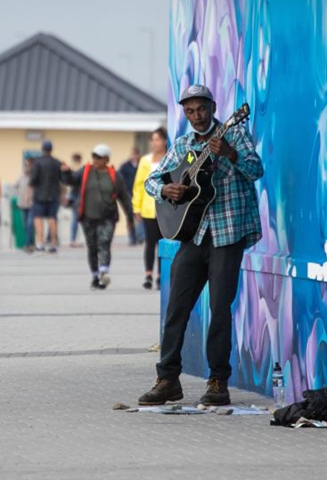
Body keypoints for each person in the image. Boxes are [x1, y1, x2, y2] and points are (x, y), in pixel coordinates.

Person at [137, 84, 263, 407]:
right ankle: (168, 380)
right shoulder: (183, 144)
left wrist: (230, 154)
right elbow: (153, 180)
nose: (197, 116)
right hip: (194, 235)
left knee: (219, 309)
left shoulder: (234, 132)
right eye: (190, 111)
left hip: (227, 233)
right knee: (176, 307)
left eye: (202, 109)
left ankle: (218, 381)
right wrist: (166, 191)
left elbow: (255, 170)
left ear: (213, 107)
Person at [62, 144, 134, 290]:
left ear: (107, 159)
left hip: (108, 217)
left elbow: (124, 198)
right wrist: (67, 172)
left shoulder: (115, 175)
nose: (95, 160)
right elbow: (71, 181)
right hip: (88, 217)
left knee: (104, 243)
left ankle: (103, 272)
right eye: (94, 156)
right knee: (92, 247)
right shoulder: (85, 171)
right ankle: (95, 275)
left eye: (99, 157)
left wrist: (130, 217)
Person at [133, 127, 168, 290]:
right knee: (150, 242)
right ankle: (148, 274)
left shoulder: (169, 158)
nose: (154, 143)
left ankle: (161, 275)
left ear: (164, 141)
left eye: (157, 139)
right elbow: (139, 185)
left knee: (162, 242)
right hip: (148, 208)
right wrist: (136, 207)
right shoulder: (145, 160)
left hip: (165, 208)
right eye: (152, 140)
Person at [29, 140, 63, 253]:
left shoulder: (37, 163)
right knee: (52, 219)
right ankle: (53, 244)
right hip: (54, 195)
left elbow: (33, 179)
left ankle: (40, 244)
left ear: (42, 149)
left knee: (38, 219)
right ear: (51, 149)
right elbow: (62, 179)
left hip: (39, 195)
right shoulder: (57, 163)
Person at [119, 146, 143, 245]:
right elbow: (120, 178)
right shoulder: (125, 166)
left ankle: (140, 236)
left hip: (139, 193)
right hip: (128, 194)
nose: (133, 156)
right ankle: (132, 238)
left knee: (140, 216)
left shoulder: (142, 164)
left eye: (135, 154)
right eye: (132, 154)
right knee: (130, 217)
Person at [15, 156, 35, 253]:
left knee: (30, 224)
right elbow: (16, 186)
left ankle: (27, 244)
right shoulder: (21, 177)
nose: (27, 167)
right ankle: (31, 243)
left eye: (29, 165)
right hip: (22, 204)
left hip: (32, 204)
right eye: (26, 165)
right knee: (26, 225)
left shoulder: (35, 177)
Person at [65, 153, 83, 247]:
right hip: (80, 195)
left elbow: (68, 185)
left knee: (75, 218)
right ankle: (74, 239)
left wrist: (67, 197)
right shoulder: (81, 170)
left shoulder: (70, 169)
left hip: (73, 196)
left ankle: (73, 239)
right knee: (78, 218)